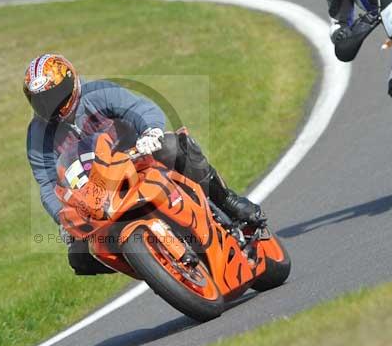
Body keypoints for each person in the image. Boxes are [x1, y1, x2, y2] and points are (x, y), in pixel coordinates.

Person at [24, 53, 265, 275]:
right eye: (42, 101)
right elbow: (47, 183)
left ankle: (227, 201)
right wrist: (62, 217)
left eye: (55, 95)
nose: (51, 106)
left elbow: (139, 108)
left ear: (72, 82)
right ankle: (148, 264)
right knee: (79, 258)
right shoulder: (38, 135)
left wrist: (150, 133)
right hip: (97, 195)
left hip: (138, 160)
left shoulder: (98, 93)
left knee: (174, 146)